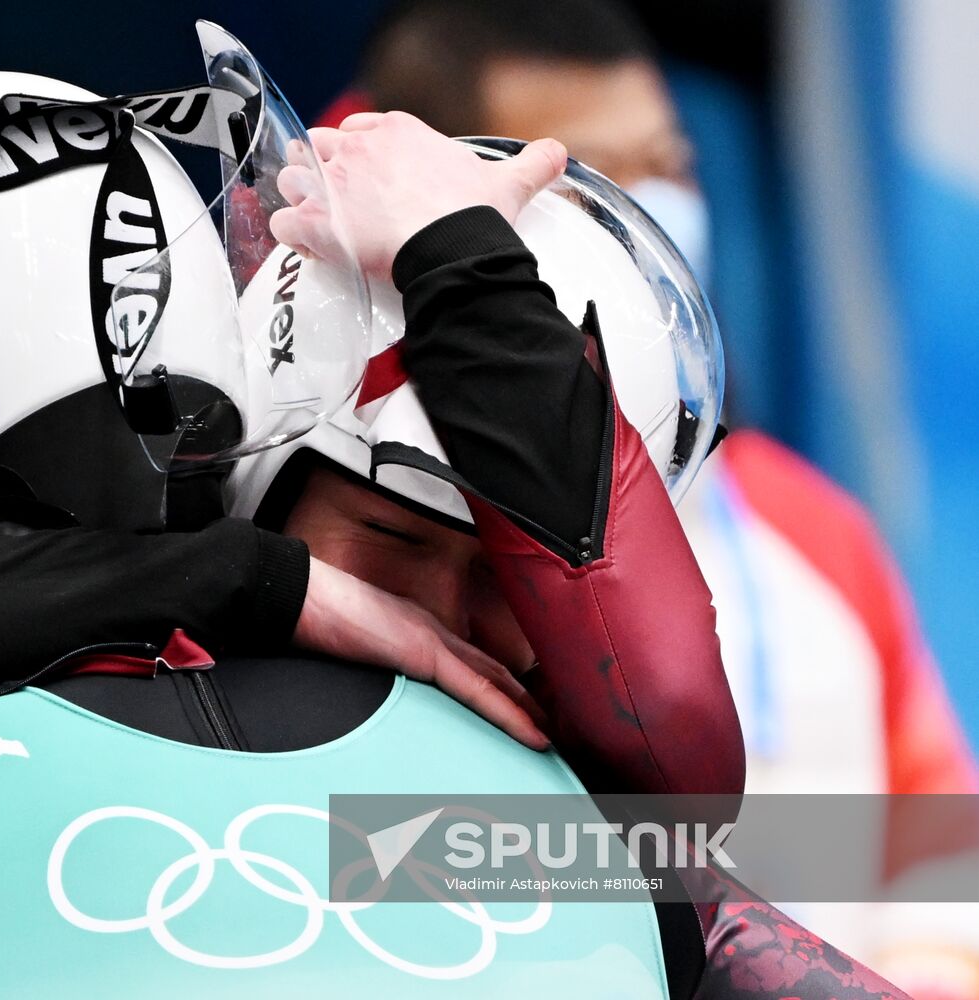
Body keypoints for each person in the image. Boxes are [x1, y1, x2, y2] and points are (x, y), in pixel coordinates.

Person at [0, 34, 905, 999]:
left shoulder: (578, 847)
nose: (448, 632)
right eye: (394, 545)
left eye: (513, 574)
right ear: (244, 473)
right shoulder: (592, 866)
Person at [321, 0, 979, 992]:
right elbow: (355, 853)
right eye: (585, 176)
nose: (651, 207)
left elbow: (940, 838)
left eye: (667, 164)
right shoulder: (346, 508)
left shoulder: (808, 525)